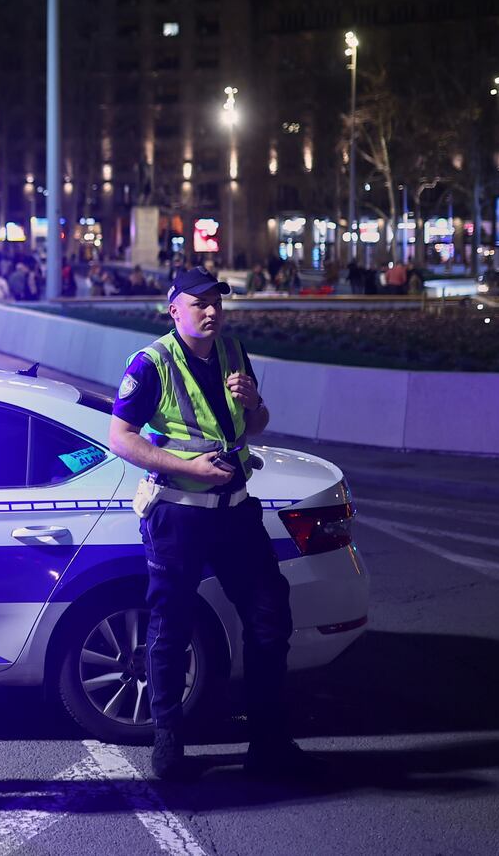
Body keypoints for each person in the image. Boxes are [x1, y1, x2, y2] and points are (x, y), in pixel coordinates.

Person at [106, 266, 316, 783]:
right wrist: (186, 468)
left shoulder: (233, 351)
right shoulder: (151, 362)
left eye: (217, 301)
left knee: (270, 618)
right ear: (173, 308)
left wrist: (255, 405)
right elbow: (121, 437)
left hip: (236, 509)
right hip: (178, 511)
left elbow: (256, 423)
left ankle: (267, 741)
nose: (211, 310)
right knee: (170, 629)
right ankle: (168, 743)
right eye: (198, 302)